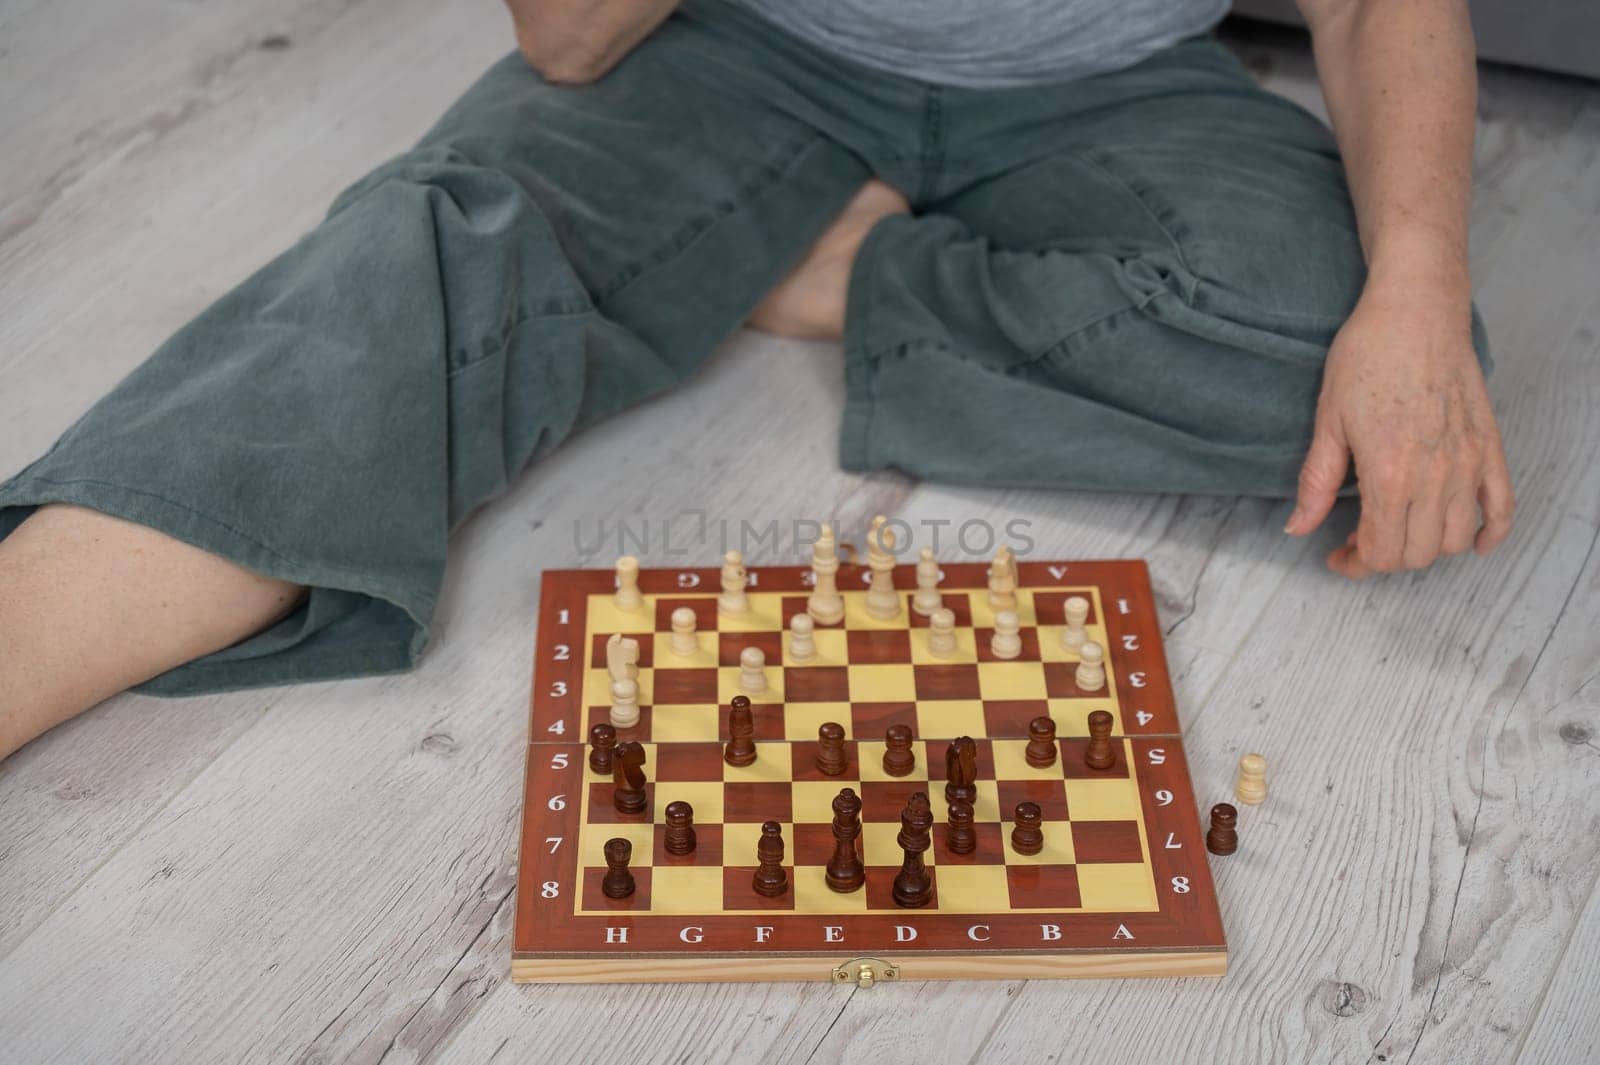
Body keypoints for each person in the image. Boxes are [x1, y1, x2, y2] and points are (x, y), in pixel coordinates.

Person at [0, 0, 1515, 761]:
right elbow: (570, 36)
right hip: (745, 50)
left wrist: (1422, 290)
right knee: (430, 255)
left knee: (1368, 359)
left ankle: (835, 273)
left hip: (1117, 80)